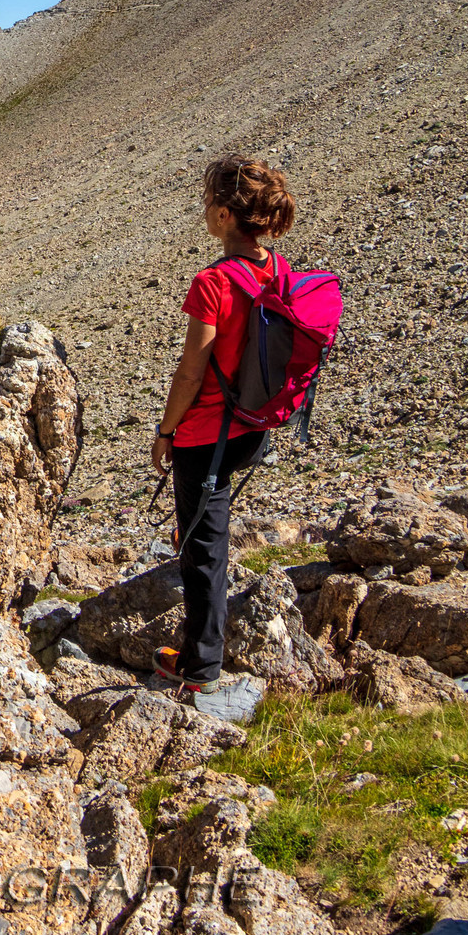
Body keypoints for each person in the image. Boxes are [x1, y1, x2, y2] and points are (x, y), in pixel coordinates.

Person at [149, 153, 297, 700]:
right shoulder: (277, 269)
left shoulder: (212, 282)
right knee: (209, 533)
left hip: (205, 436)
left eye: (210, 202)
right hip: (251, 425)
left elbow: (193, 369)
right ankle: (204, 648)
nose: (204, 210)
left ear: (226, 215)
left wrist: (167, 432)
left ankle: (199, 665)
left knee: (202, 548)